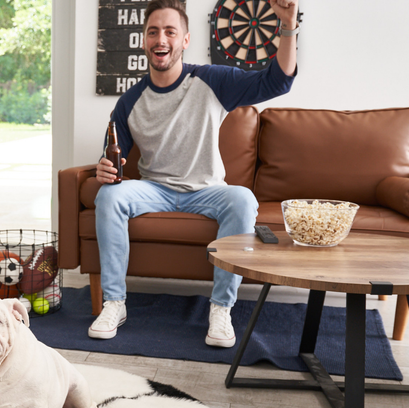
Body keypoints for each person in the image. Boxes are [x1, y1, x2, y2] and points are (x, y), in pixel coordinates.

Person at [88, 0, 299, 345]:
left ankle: (221, 309)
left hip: (207, 189)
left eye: (170, 31)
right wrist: (105, 169)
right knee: (109, 196)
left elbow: (277, 81)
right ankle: (114, 303)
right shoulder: (129, 102)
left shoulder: (212, 79)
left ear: (185, 40)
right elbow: (113, 159)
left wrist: (288, 25)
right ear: (144, 40)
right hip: (154, 188)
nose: (161, 39)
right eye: (153, 31)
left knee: (243, 199)